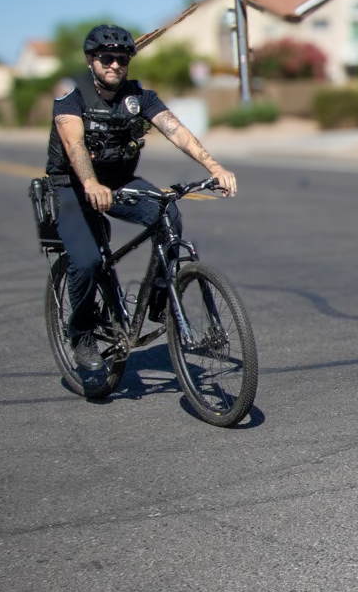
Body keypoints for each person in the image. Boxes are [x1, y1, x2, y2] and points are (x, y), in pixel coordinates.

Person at [46, 24, 238, 372]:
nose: (115, 65)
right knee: (87, 262)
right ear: (91, 60)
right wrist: (90, 183)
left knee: (169, 215)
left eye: (122, 59)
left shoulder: (139, 97)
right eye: (107, 58)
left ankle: (160, 298)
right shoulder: (71, 98)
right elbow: (74, 144)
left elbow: (175, 130)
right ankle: (82, 337)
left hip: (120, 182)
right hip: (72, 186)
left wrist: (215, 167)